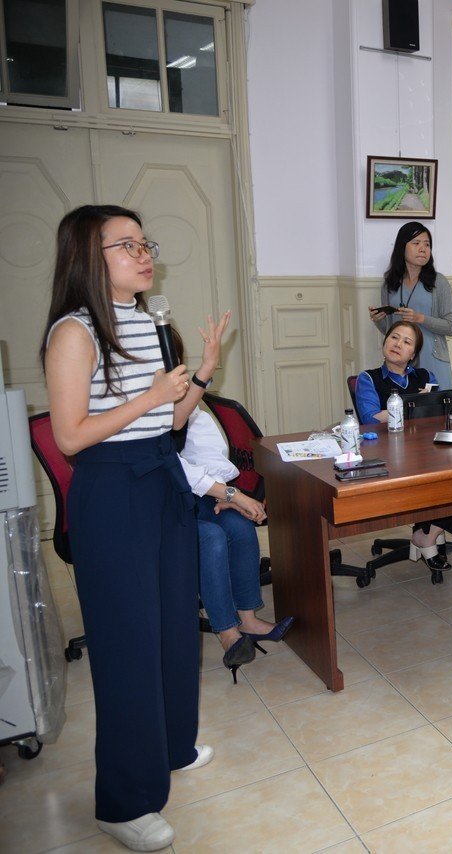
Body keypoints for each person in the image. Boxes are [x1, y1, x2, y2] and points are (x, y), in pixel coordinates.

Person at [41, 205, 218, 851]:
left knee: (174, 625)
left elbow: (169, 425)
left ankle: (169, 748)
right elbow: (69, 436)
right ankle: (123, 801)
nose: (143, 254)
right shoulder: (74, 333)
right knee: (126, 644)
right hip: (112, 491)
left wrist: (200, 372)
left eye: (145, 243)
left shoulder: (148, 324)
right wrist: (147, 396)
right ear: (89, 259)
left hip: (159, 479)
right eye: (125, 245)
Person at [180, 406, 293, 679]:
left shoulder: (185, 400)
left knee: (240, 527)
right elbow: (174, 466)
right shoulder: (144, 406)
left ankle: (248, 620)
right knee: (211, 538)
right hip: (156, 505)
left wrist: (223, 495)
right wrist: (233, 494)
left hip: (195, 495)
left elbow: (203, 451)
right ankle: (228, 632)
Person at [355, 320, 452, 570]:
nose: (398, 344)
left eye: (406, 342)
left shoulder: (426, 377)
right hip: (387, 452)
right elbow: (370, 418)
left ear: (413, 354)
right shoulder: (368, 378)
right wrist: (413, 402)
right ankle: (430, 532)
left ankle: (430, 531)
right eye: (394, 337)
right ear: (385, 342)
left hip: (427, 448)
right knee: (438, 476)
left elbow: (440, 411)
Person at [368, 222, 452, 387]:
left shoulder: (439, 282)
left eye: (427, 244)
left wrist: (420, 318)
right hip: (400, 362)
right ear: (403, 247)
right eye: (416, 243)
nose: (423, 249)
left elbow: (451, 327)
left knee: (437, 410)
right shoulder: (390, 284)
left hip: (433, 360)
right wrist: (378, 319)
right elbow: (390, 330)